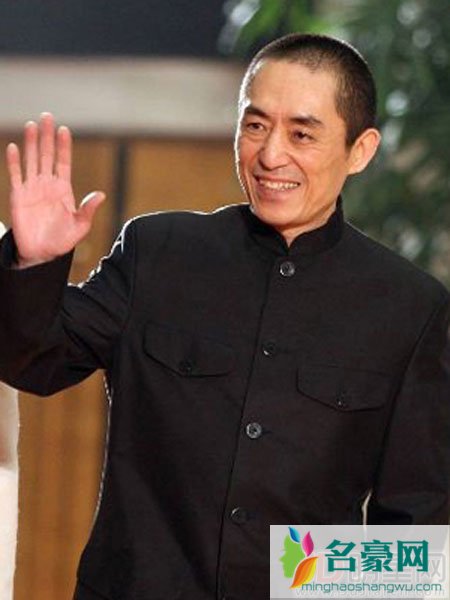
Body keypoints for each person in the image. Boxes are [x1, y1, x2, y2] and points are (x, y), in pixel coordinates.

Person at [0, 33, 449, 600]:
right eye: (255, 125)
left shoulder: (410, 307)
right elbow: (34, 362)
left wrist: (294, 582)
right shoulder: (158, 251)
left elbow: (414, 535)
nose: (271, 155)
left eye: (302, 133)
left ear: (360, 150)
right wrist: (34, 262)